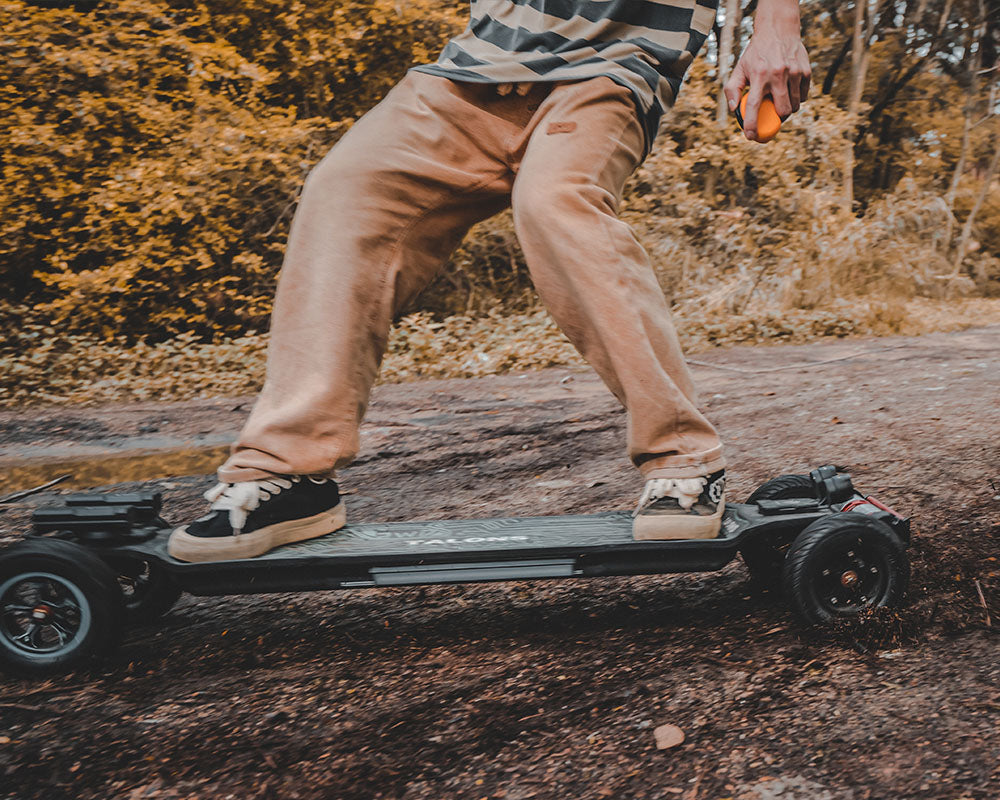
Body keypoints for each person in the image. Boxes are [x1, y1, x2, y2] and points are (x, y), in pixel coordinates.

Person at [168, 0, 811, 562]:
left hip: (609, 69)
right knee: (347, 190)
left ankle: (684, 458)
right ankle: (291, 470)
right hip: (473, 67)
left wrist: (777, 22)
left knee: (556, 199)